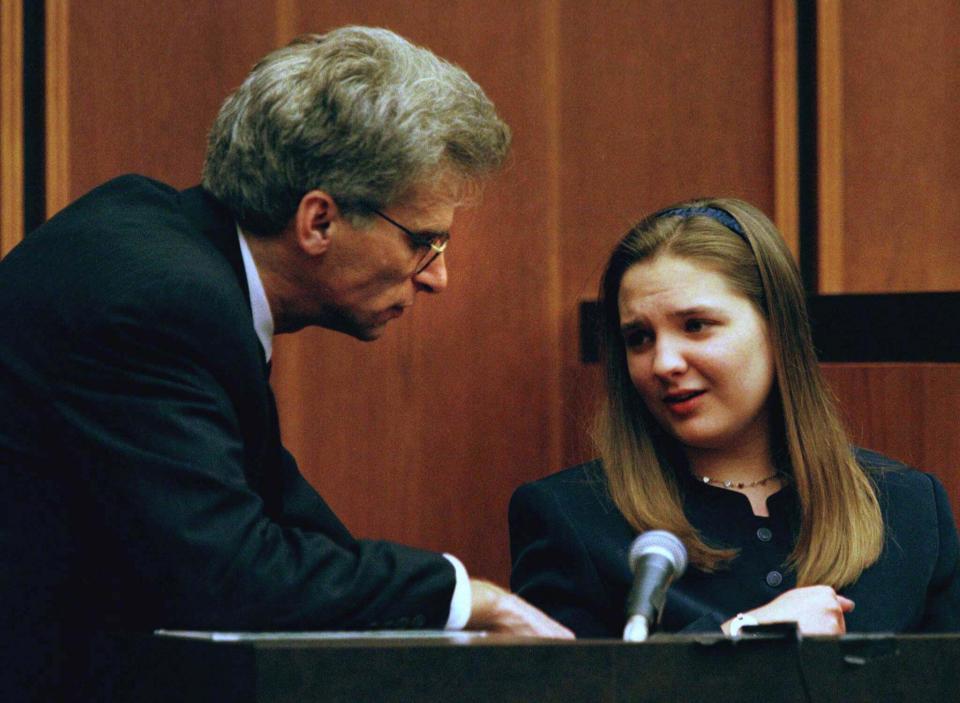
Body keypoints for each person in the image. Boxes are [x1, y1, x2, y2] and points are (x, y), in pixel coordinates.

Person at [0, 25, 570, 699]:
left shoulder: (165, 244)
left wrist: (443, 597)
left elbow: (280, 519)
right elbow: (231, 576)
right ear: (318, 221)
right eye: (424, 240)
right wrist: (468, 598)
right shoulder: (162, 300)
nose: (437, 276)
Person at [510, 197, 960, 638]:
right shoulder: (571, 517)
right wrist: (742, 636)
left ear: (776, 329)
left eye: (695, 325)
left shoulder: (910, 509)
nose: (663, 362)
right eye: (639, 337)